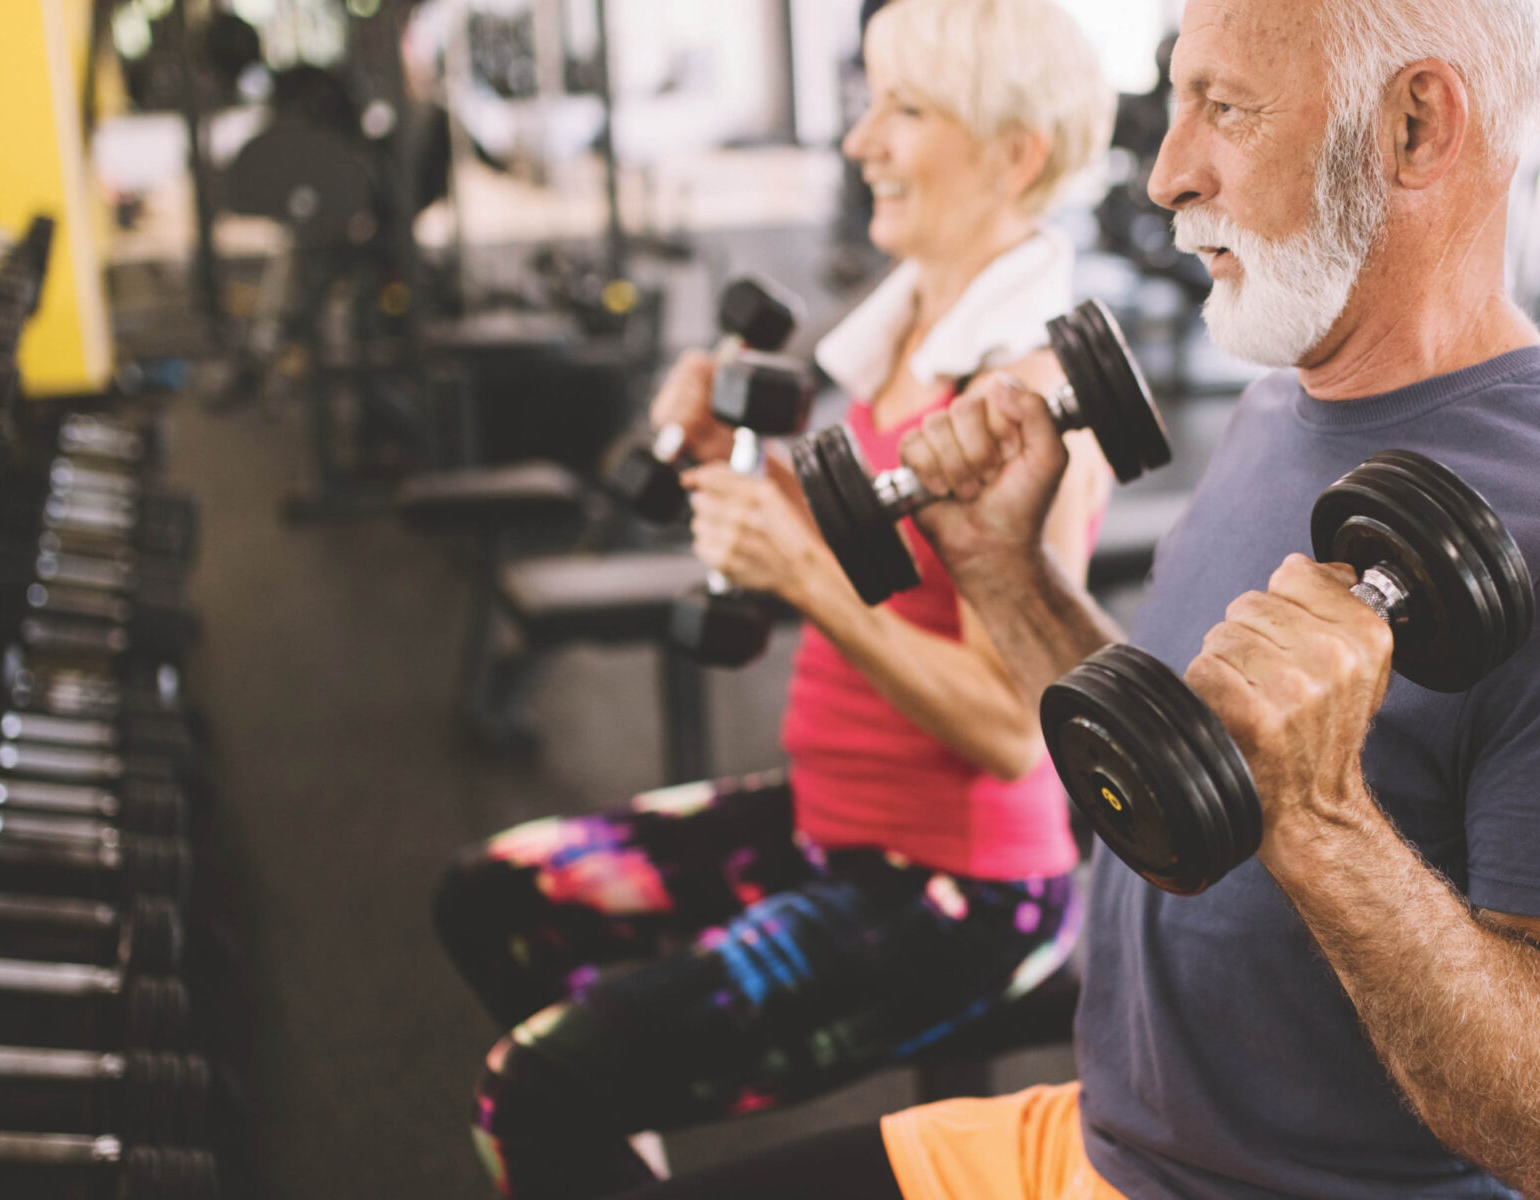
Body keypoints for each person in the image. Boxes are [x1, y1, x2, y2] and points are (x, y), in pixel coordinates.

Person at [625, 0, 1540, 1197]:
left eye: (1227, 107)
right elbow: (1181, 768)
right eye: (1175, 100)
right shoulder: (1287, 403)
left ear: (1416, 127)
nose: (1165, 173)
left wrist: (1323, 822)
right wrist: (1003, 570)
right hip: (1096, 1138)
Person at [428, 1, 1116, 1195]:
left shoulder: (1030, 397)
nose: (861, 143)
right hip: (834, 816)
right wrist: (746, 469)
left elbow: (1016, 731)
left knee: (535, 1092)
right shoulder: (908, 330)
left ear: (1014, 155)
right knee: (491, 899)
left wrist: (800, 571)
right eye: (869, 102)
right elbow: (888, 545)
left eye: (903, 110)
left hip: (961, 890)